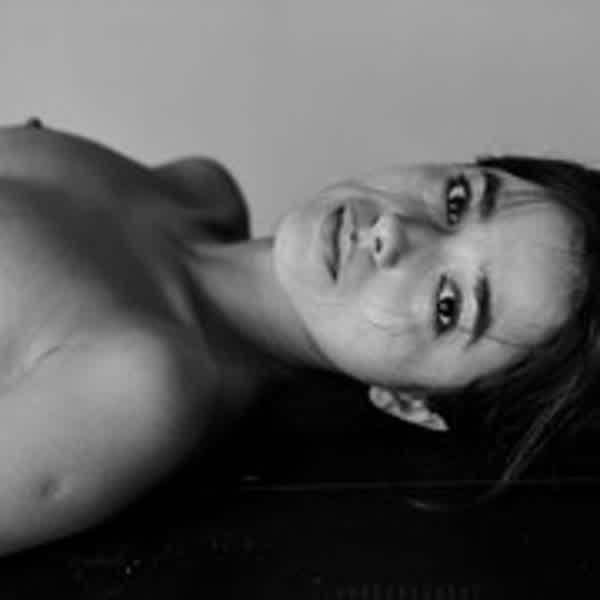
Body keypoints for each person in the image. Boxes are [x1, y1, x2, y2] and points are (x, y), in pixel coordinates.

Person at [0, 119, 596, 556]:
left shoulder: (142, 389)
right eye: (458, 201)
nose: (394, 230)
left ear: (412, 403)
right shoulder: (201, 190)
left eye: (448, 305)